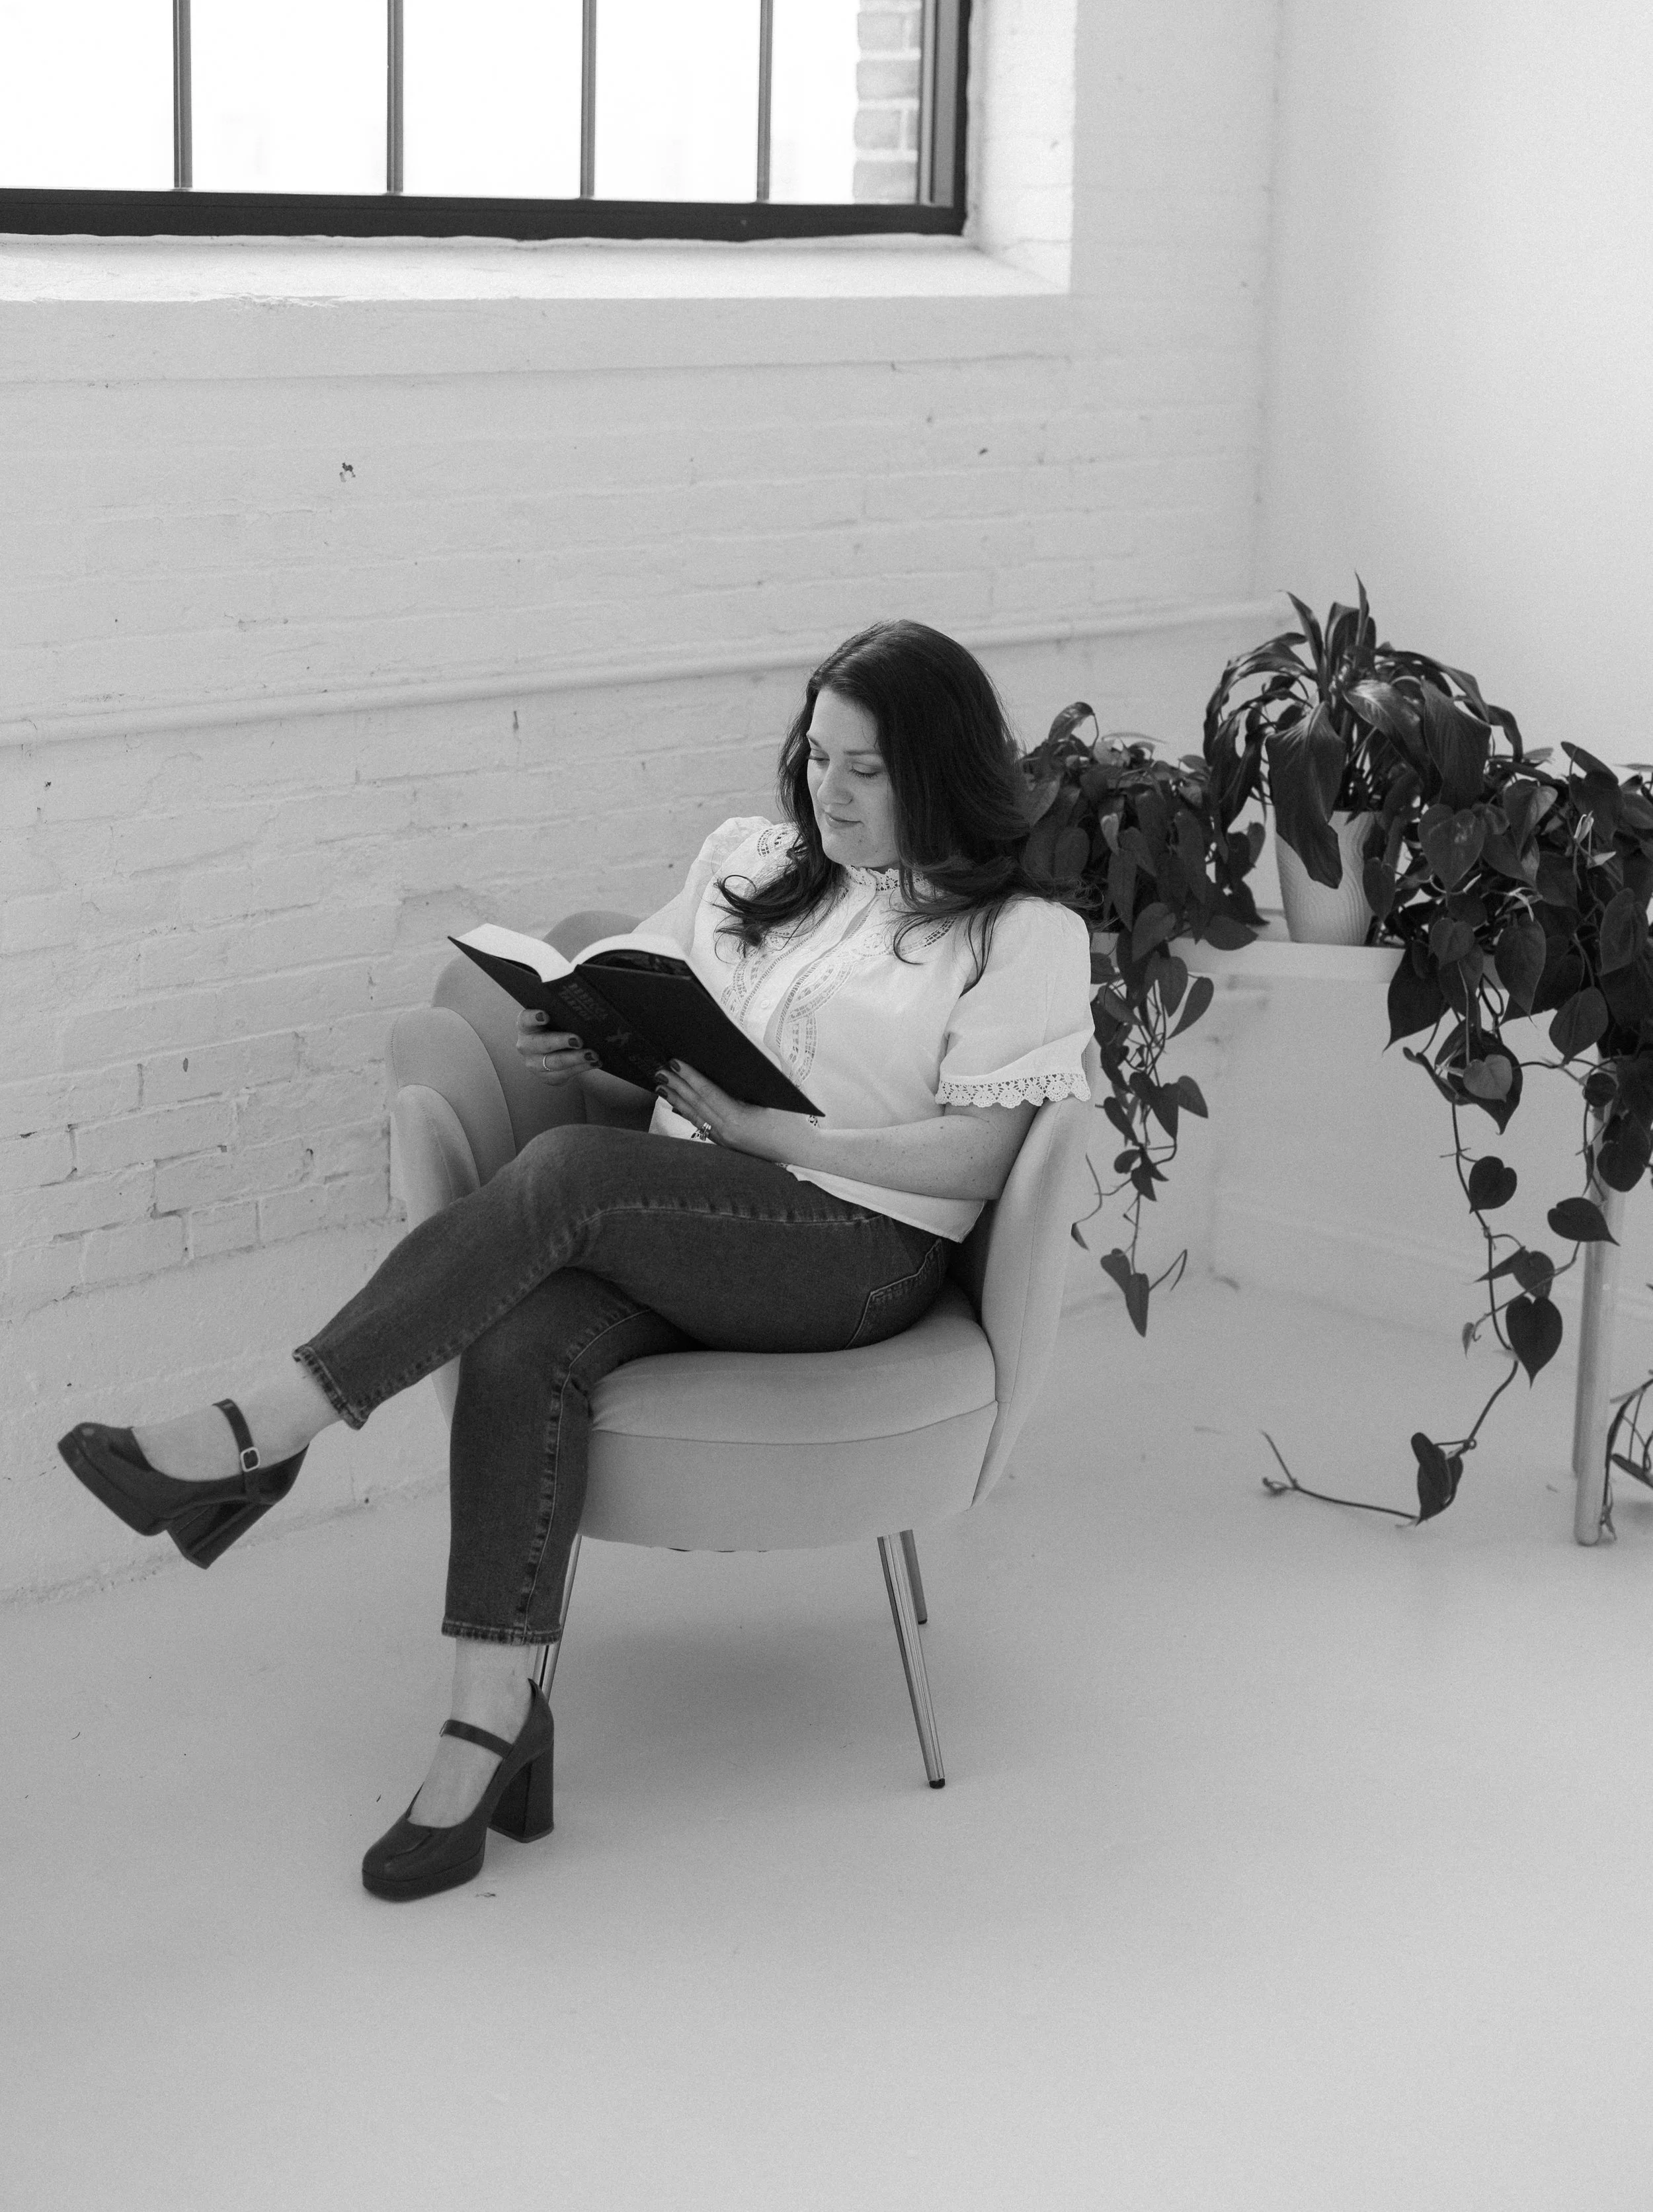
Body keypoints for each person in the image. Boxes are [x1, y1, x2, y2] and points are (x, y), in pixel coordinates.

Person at [59, 620, 1094, 1901]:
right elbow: (648, 1002)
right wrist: (588, 1044)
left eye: (866, 769)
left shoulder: (1020, 936)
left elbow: (981, 1163)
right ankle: (489, 1722)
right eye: (816, 756)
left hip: (853, 1253)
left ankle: (262, 1431)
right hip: (687, 1216)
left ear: (939, 771)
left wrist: (777, 1132)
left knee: (564, 1177)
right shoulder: (750, 861)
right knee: (526, 1330)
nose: (828, 790)